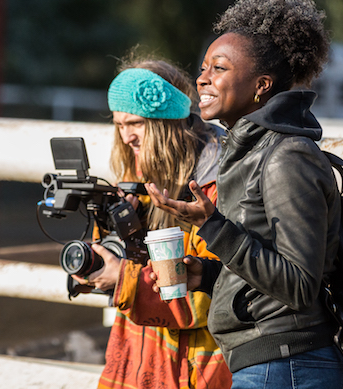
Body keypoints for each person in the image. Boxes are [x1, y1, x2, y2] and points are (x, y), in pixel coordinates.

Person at [144, 0, 343, 389]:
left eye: (218, 68)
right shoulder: (248, 150)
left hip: (287, 364)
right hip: (268, 363)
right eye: (203, 68)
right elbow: (268, 270)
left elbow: (299, 285)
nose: (202, 78)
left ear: (261, 85)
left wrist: (214, 228)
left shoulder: (288, 156)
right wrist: (210, 274)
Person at [74, 54, 232, 389]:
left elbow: (204, 299)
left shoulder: (212, 186)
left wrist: (125, 281)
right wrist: (111, 242)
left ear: (167, 123)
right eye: (119, 125)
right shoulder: (138, 181)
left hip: (196, 367)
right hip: (138, 361)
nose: (127, 137)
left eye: (136, 124)